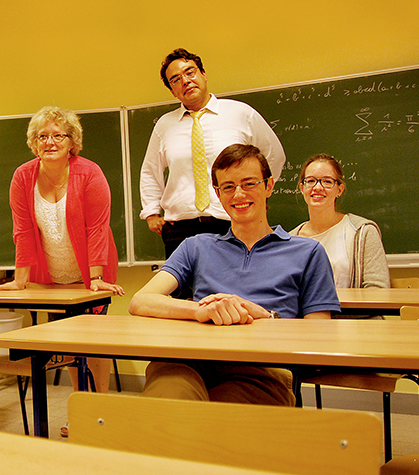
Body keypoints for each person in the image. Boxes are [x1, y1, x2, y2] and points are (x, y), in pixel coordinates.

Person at [129, 144, 339, 406]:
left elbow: (322, 336)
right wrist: (200, 311)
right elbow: (141, 301)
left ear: (269, 186)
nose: (238, 194)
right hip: (188, 362)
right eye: (228, 187)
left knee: (221, 425)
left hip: (261, 372)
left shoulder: (307, 252)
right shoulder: (196, 246)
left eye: (249, 183)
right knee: (166, 409)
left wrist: (265, 316)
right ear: (217, 193)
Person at [0, 106, 124, 401]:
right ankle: (80, 403)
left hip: (92, 274)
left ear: (71, 142)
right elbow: (22, 230)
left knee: (95, 341)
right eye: (42, 136)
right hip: (51, 278)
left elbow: (98, 229)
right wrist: (19, 280)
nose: (49, 142)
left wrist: (96, 278)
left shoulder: (89, 173)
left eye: (58, 136)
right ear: (34, 143)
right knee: (70, 343)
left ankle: (98, 407)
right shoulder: (23, 177)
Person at [139, 48, 286, 262]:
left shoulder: (241, 113)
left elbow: (273, 155)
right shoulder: (164, 125)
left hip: (233, 223)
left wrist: (254, 193)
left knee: (233, 293)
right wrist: (151, 213)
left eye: (190, 72)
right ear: (172, 90)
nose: (186, 81)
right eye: (176, 79)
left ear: (203, 74)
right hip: (180, 231)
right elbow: (150, 171)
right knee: (184, 296)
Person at [289, 154, 390, 293]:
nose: (317, 187)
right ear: (302, 188)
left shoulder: (362, 232)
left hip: (352, 314)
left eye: (327, 182)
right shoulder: (291, 239)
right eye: (311, 181)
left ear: (339, 190)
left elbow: (378, 290)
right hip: (304, 315)